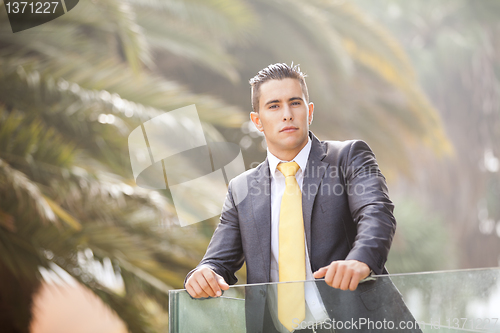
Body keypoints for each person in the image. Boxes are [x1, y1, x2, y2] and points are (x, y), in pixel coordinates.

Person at [184, 63, 421, 333]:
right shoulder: (242, 189)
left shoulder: (348, 157)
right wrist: (203, 274)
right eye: (274, 106)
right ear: (257, 121)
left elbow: (376, 212)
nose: (286, 114)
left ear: (308, 111)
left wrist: (361, 260)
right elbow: (218, 262)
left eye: (294, 103)